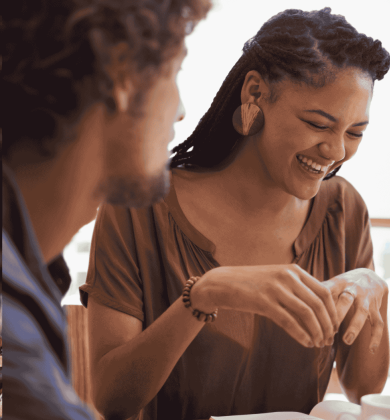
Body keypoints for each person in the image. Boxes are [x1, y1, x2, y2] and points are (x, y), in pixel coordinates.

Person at [80, 8, 390, 420]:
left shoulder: (343, 210)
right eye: (318, 124)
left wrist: (374, 296)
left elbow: (364, 389)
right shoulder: (140, 204)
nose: (336, 151)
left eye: (355, 133)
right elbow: (111, 398)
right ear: (255, 93)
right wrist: (205, 294)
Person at [1, 0, 210, 418]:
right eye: (176, 73)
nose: (181, 110)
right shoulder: (11, 326)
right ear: (122, 74)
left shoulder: (28, 269)